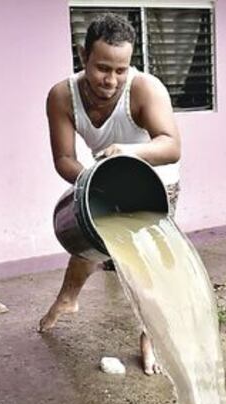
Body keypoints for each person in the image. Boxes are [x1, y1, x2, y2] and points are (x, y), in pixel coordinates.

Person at [37, 13, 182, 375]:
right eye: (102, 68)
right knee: (89, 242)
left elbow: (171, 146)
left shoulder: (145, 89)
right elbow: (64, 158)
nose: (111, 80)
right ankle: (68, 300)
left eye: (121, 70)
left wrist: (127, 152)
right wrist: (94, 181)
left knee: (148, 264)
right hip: (101, 177)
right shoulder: (61, 96)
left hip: (155, 184)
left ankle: (151, 336)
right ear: (82, 55)